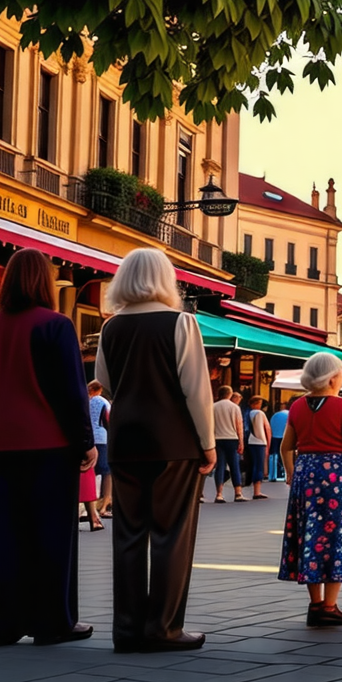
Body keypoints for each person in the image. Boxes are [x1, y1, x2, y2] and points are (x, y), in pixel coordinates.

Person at [0, 249, 96, 646]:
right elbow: (70, 392)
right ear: (43, 281)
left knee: (2, 535)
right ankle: (51, 621)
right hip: (47, 445)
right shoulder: (56, 326)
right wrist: (84, 442)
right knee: (51, 534)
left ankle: (0, 623)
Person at [96, 247, 216, 653]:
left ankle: (127, 629)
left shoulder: (111, 328)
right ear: (166, 279)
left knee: (128, 534)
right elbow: (196, 390)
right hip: (174, 442)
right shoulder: (181, 322)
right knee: (171, 533)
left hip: (125, 439)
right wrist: (209, 444)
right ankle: (163, 628)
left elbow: (106, 384)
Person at [279, 352, 342, 627]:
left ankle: (315, 604)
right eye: (341, 374)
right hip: (336, 478)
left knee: (310, 535)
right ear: (332, 378)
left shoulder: (297, 406)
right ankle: (330, 606)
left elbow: (286, 447)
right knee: (336, 536)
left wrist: (292, 472)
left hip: (306, 476)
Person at [211, 386, 246, 503]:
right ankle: (238, 493)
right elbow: (239, 425)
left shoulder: (213, 407)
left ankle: (219, 494)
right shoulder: (235, 407)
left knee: (220, 466)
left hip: (217, 439)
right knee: (234, 465)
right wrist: (241, 442)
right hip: (232, 438)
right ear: (230, 394)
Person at [88, 381, 113, 520]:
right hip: (102, 438)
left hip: (90, 439)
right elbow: (107, 420)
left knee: (91, 471)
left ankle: (90, 504)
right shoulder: (104, 402)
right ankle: (106, 503)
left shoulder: (86, 401)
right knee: (107, 472)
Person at [246, 396, 272, 500]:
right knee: (259, 465)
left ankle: (252, 486)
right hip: (260, 441)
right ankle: (257, 491)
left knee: (253, 464)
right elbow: (267, 428)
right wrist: (268, 443)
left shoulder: (248, 413)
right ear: (256, 403)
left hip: (250, 441)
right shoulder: (261, 414)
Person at [269, 402, 289, 481]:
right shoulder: (289, 414)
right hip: (285, 437)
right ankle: (285, 475)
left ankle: (273, 475)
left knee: (274, 455)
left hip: (274, 436)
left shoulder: (275, 415)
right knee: (285, 455)